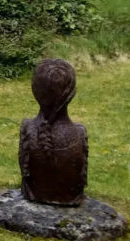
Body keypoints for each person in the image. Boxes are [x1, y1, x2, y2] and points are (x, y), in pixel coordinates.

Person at [19, 59, 88, 206]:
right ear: (71, 94)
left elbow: (27, 176)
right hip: (70, 199)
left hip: (35, 195)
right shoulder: (80, 133)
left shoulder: (28, 129)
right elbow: (81, 179)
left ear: (35, 91)